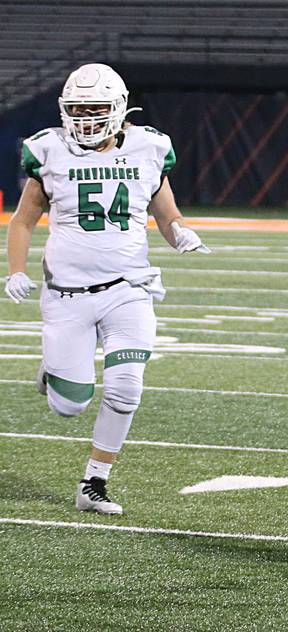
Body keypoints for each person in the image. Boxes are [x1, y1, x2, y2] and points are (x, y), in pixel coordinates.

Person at [4, 62, 210, 514]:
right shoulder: (49, 150)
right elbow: (22, 220)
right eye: (77, 109)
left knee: (124, 388)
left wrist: (180, 233)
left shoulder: (148, 148)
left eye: (95, 108)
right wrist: (16, 270)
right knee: (68, 406)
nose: (85, 118)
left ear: (119, 108)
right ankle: (51, 371)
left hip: (128, 287)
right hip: (67, 295)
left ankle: (93, 482)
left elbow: (166, 213)